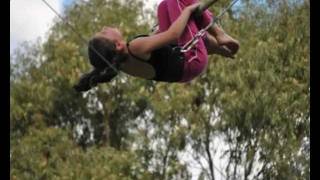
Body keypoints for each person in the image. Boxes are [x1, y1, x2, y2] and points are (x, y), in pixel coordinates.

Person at [74, 0, 239, 92]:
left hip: (185, 66)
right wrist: (187, 10)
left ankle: (216, 47)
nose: (105, 28)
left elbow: (162, 45)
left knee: (164, 6)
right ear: (117, 45)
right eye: (103, 32)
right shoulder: (135, 46)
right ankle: (219, 34)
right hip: (191, 59)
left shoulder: (123, 64)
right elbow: (173, 35)